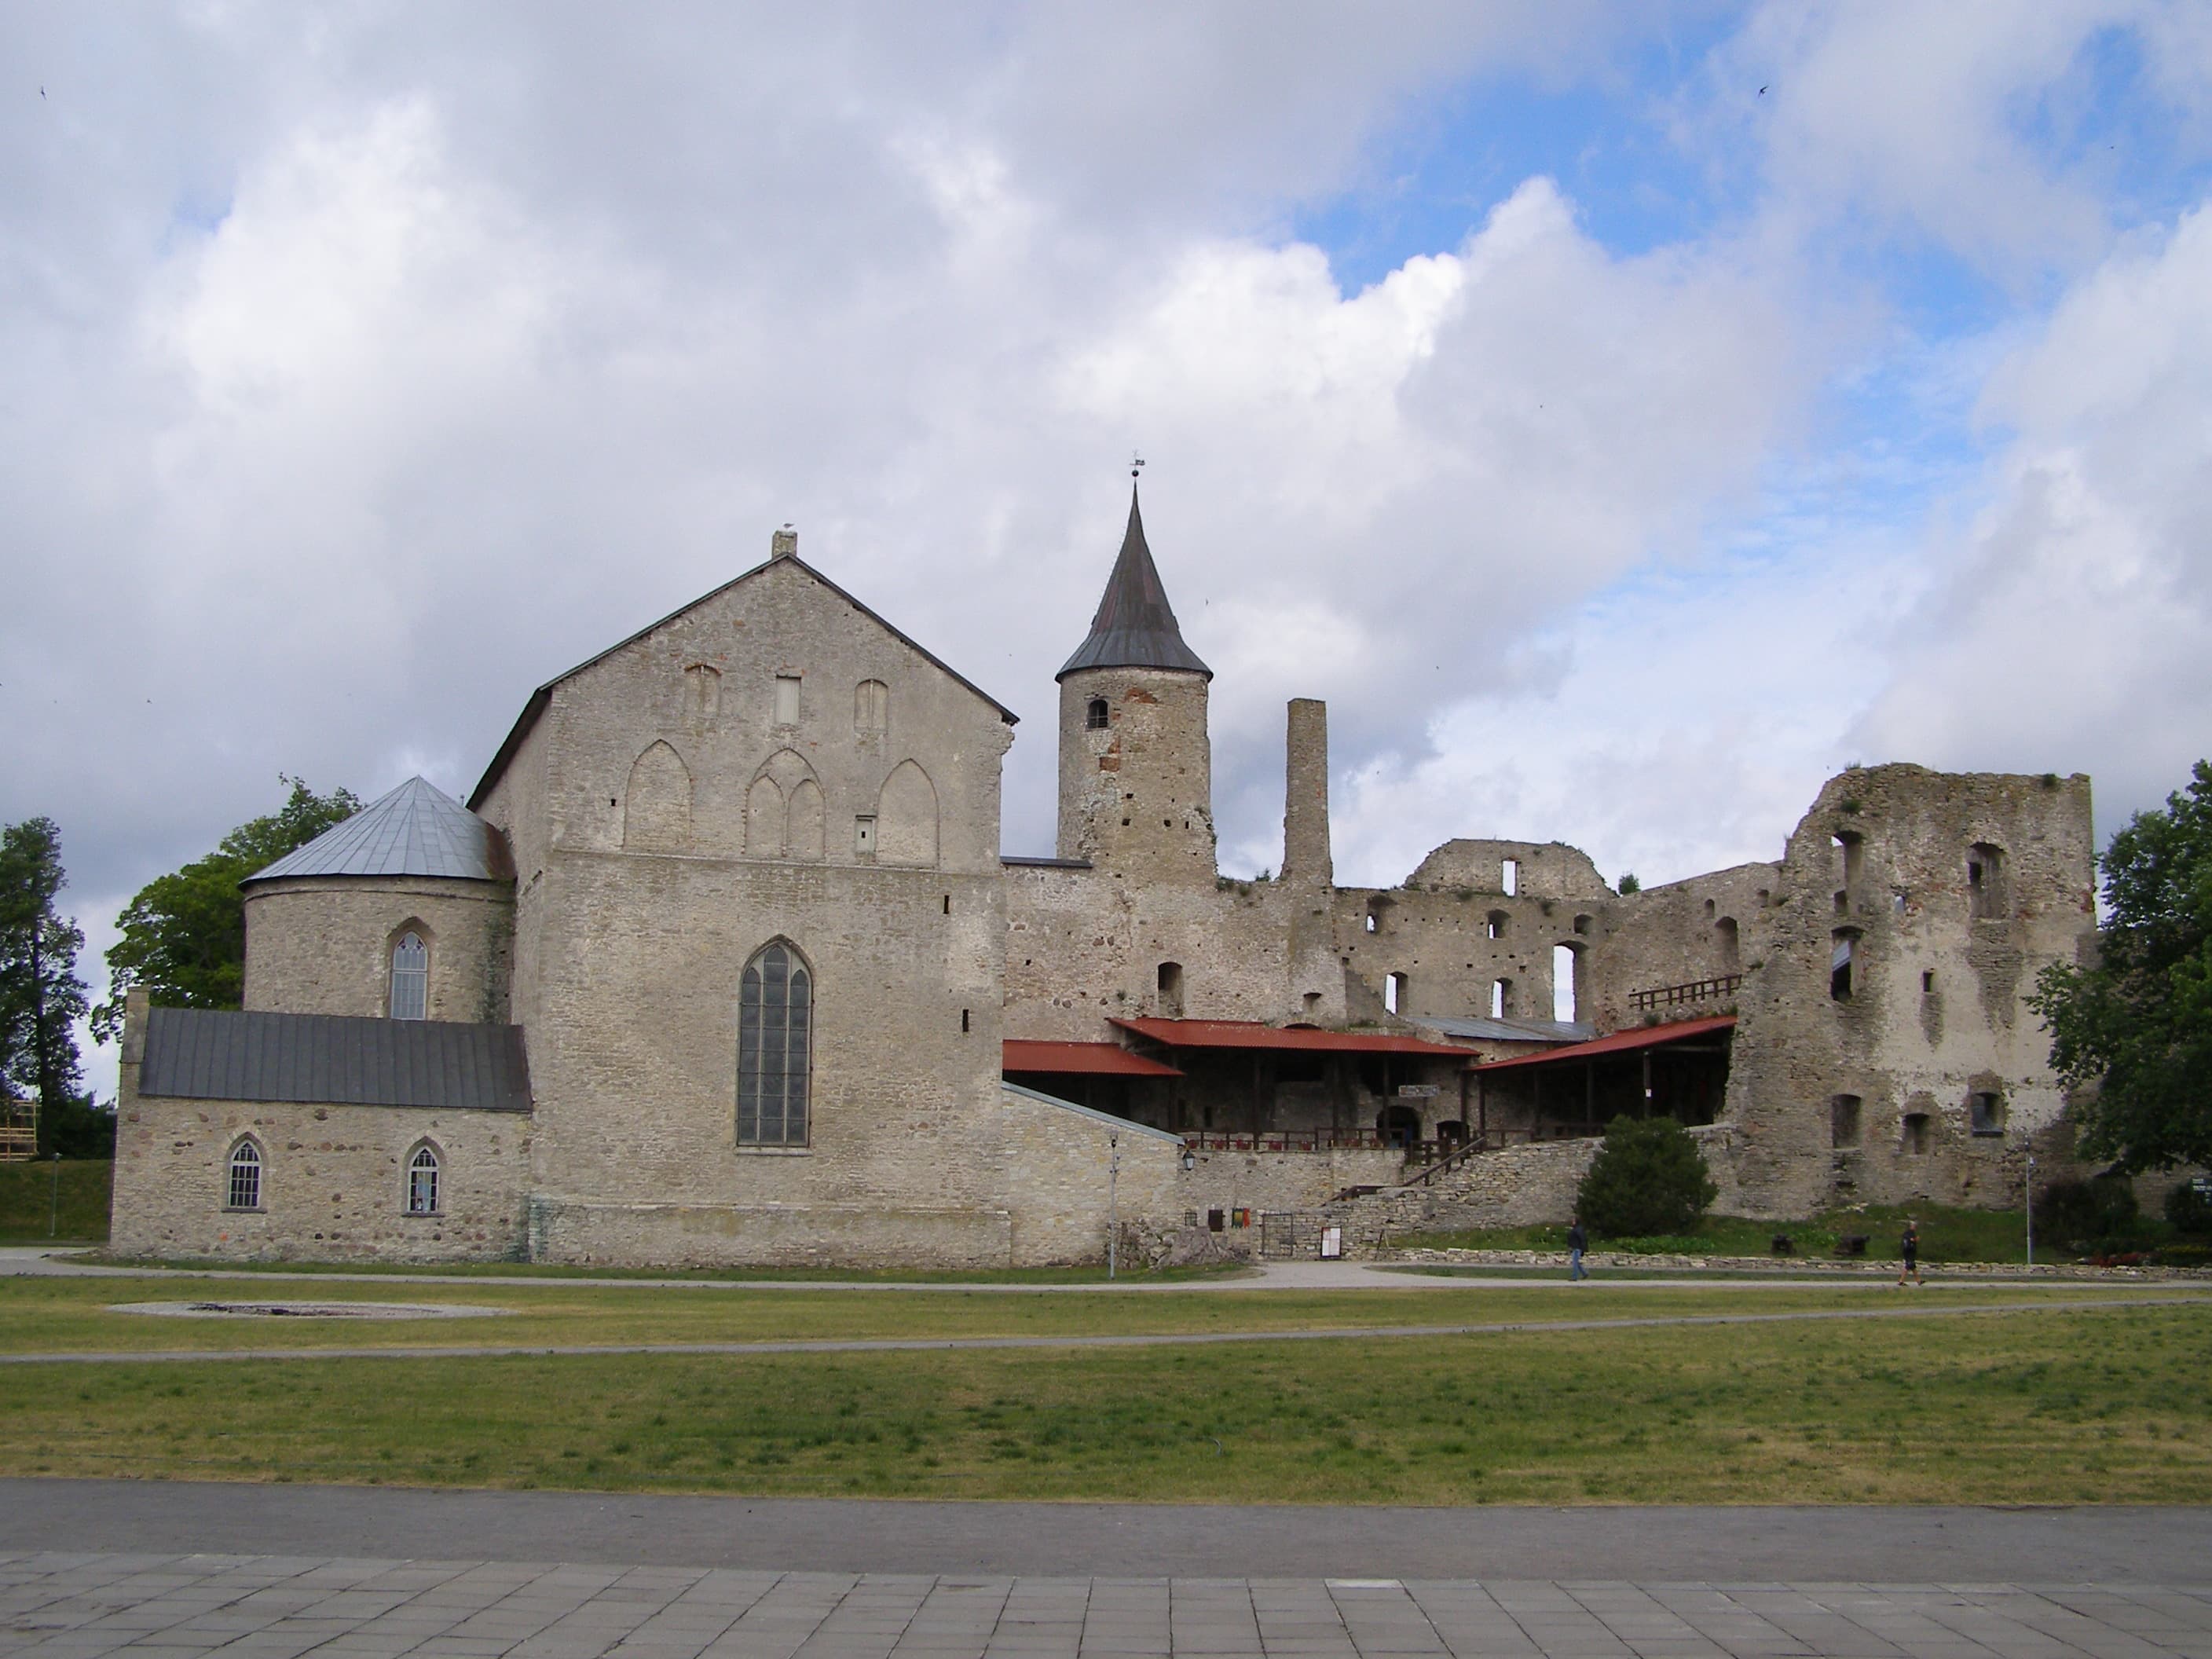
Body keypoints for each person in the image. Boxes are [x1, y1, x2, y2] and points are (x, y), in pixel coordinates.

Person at [1897, 1218, 1923, 1287]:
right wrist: (1916, 1239)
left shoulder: (1907, 1233)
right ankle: (1901, 1281)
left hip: (1908, 1251)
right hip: (1909, 1252)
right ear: (1911, 1226)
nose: (1915, 1227)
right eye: (1914, 1226)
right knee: (1908, 1265)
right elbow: (1912, 1240)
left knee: (1913, 1267)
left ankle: (1919, 1281)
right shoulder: (1909, 1233)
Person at [1567, 1215, 1589, 1282]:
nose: (1572, 1222)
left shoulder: (1578, 1229)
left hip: (1577, 1248)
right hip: (1575, 1247)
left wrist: (1583, 1249)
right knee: (1576, 1262)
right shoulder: (1575, 1229)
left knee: (1575, 1263)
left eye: (1573, 1221)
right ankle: (1585, 1273)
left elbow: (1582, 1239)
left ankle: (1574, 1277)